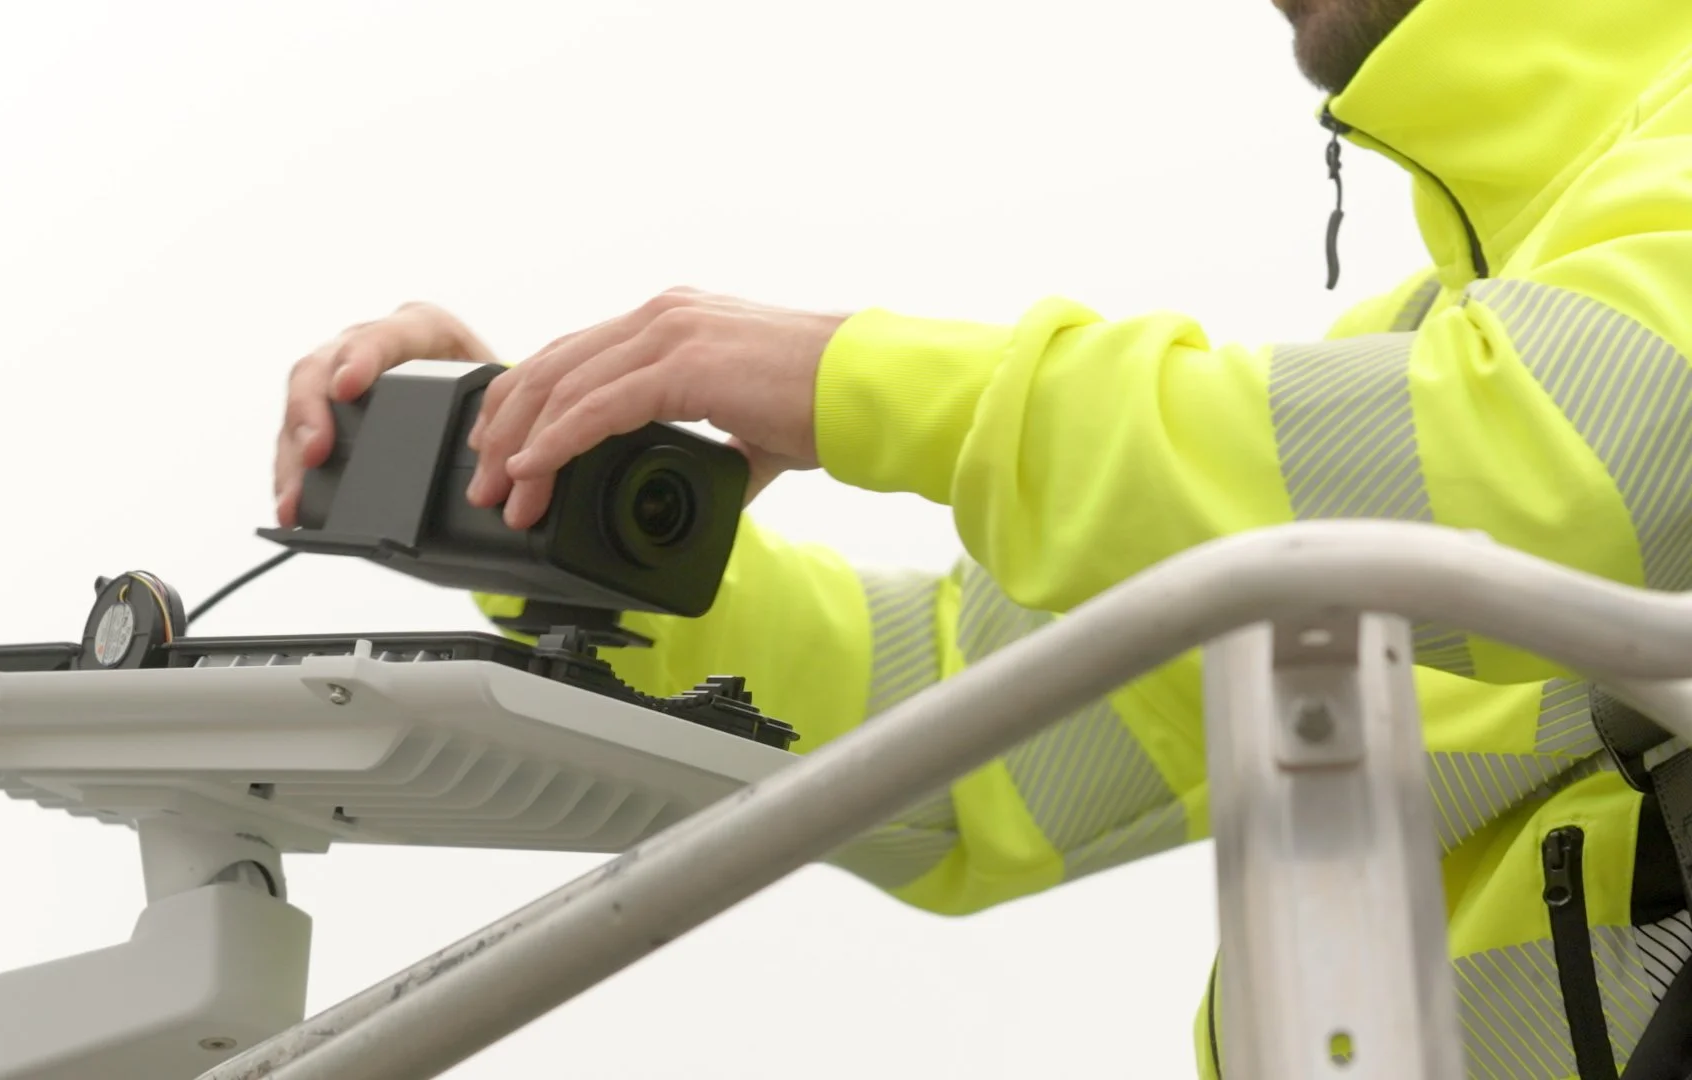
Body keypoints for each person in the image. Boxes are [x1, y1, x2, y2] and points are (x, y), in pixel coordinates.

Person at [274, 0, 1692, 1074]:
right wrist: (560, 512)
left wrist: (872, 386)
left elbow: (1592, 465)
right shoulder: (1415, 379)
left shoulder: (1489, 385)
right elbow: (970, 743)